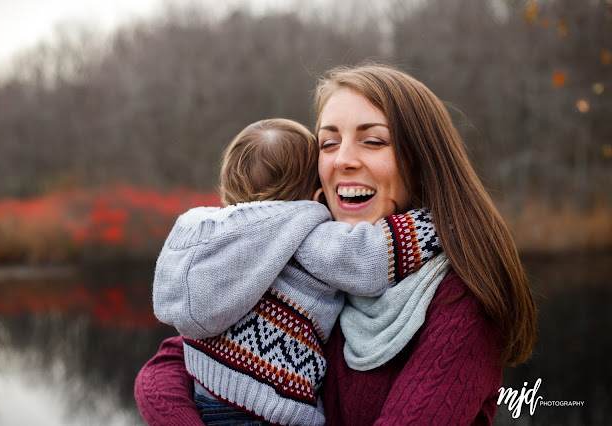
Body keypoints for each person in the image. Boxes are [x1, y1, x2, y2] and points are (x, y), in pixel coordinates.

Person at [135, 63, 537, 425]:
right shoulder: (311, 256)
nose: (343, 159)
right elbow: (169, 364)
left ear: (422, 160)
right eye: (328, 144)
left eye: (373, 141)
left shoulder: (461, 302)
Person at [153, 118, 441, 425]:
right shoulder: (302, 234)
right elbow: (369, 258)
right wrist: (436, 221)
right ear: (315, 195)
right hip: (268, 407)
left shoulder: (201, 234)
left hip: (204, 395)